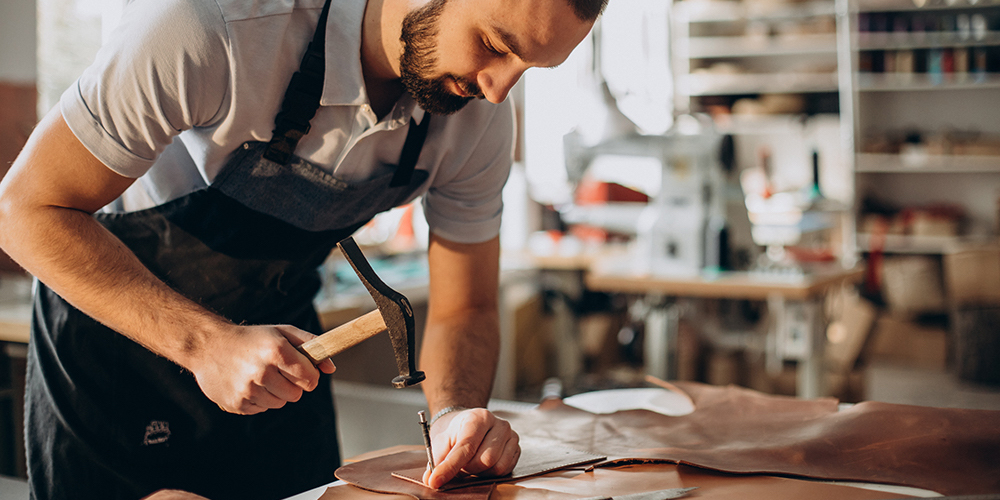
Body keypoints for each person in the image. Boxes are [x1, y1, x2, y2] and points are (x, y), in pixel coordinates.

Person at [0, 0, 605, 498]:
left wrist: (454, 417)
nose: (498, 91)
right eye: (496, 45)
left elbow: (465, 307)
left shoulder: (477, 118)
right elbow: (23, 211)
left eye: (529, 67)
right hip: (116, 354)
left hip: (282, 361)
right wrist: (206, 344)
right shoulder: (210, 28)